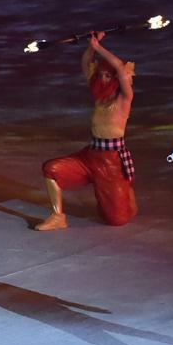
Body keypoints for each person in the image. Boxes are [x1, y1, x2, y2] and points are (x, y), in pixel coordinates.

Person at [35, 32, 138, 230]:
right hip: (91, 156)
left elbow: (119, 67)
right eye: (102, 75)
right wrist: (92, 45)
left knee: (117, 220)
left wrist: (99, 48)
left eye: (108, 75)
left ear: (116, 79)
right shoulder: (100, 99)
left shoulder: (124, 99)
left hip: (111, 163)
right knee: (52, 169)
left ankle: (126, 193)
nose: (104, 79)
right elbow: (85, 63)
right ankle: (58, 216)